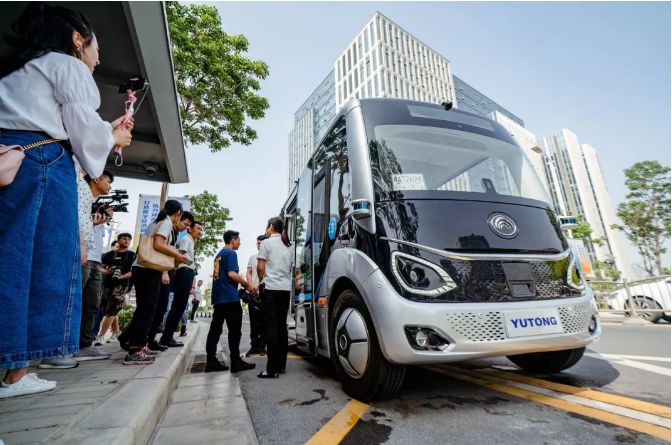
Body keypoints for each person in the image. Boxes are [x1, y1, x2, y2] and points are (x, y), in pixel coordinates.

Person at [0, 3, 132, 398]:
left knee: (12, 259)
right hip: (40, 163)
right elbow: (85, 136)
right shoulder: (67, 64)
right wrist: (113, 138)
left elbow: (70, 125)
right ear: (77, 39)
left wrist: (104, 131)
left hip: (15, 158)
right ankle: (13, 373)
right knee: (37, 266)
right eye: (96, 50)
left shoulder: (19, 68)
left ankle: (15, 372)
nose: (96, 59)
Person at [117, 200, 189, 365]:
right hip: (147, 269)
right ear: (178, 213)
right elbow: (158, 244)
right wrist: (177, 255)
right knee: (148, 309)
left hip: (143, 268)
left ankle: (134, 342)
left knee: (146, 308)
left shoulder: (157, 222)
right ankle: (135, 349)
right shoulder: (166, 223)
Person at [74, 170, 116, 361]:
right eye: (108, 181)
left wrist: (103, 219)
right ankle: (65, 346)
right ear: (96, 179)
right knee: (75, 302)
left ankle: (85, 345)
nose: (110, 186)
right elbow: (76, 225)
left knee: (92, 305)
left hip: (95, 261)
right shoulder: (81, 198)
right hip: (81, 256)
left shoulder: (96, 205)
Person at [205, 231, 256, 373]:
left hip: (219, 297)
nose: (239, 243)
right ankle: (236, 362)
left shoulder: (219, 255)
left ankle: (211, 360)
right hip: (229, 297)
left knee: (215, 329)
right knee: (235, 331)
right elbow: (232, 274)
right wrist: (247, 285)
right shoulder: (231, 253)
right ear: (233, 240)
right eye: (238, 240)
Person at [146, 211, 193, 351]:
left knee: (160, 307)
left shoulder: (173, 231)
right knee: (159, 307)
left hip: (167, 270)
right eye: (186, 224)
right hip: (166, 270)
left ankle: (148, 340)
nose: (186, 227)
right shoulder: (167, 225)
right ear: (177, 215)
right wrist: (166, 271)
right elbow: (163, 250)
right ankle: (141, 341)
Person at [257, 217, 293, 379]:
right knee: (281, 327)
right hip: (285, 290)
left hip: (270, 289)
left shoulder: (266, 243)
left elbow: (260, 267)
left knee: (271, 328)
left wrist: (261, 281)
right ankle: (281, 366)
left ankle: (271, 370)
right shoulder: (288, 245)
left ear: (270, 226)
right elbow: (292, 269)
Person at [159, 218, 202, 347]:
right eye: (198, 228)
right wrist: (172, 271)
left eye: (201, 229)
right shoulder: (187, 240)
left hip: (185, 273)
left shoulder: (189, 240)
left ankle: (167, 337)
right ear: (190, 229)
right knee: (178, 307)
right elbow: (179, 257)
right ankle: (167, 338)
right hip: (184, 273)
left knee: (179, 307)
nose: (200, 232)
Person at [95, 233, 135, 345]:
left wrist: (121, 277)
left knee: (112, 310)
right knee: (108, 310)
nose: (127, 241)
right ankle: (116, 332)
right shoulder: (109, 255)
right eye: (124, 239)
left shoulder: (132, 255)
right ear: (118, 240)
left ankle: (101, 336)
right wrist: (108, 271)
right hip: (107, 284)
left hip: (122, 286)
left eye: (129, 239)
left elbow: (134, 271)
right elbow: (100, 268)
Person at [245, 235, 269, 357]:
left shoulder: (269, 257)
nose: (258, 244)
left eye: (261, 242)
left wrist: (259, 286)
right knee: (253, 323)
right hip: (252, 293)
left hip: (264, 293)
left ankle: (262, 347)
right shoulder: (252, 258)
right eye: (257, 242)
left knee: (264, 322)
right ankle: (254, 346)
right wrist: (250, 285)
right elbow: (248, 272)